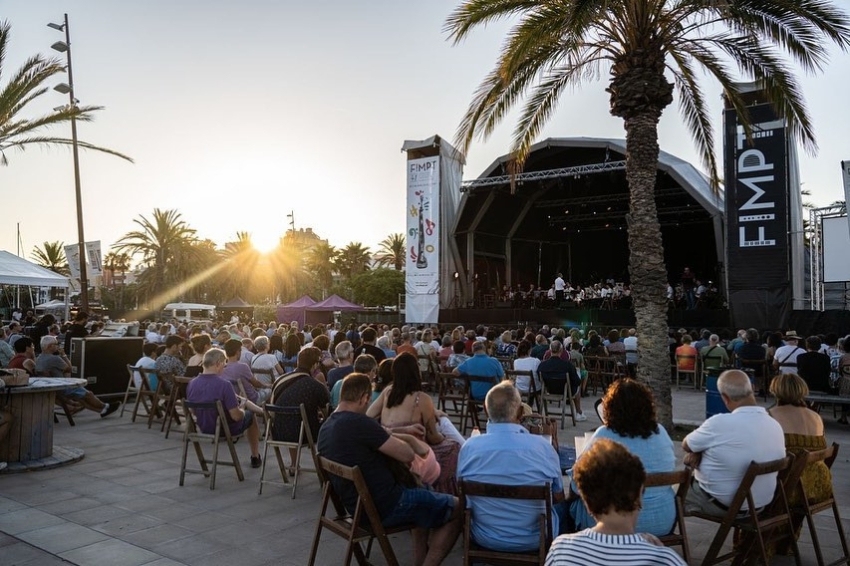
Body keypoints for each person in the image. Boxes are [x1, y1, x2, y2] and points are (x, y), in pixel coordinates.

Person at [317, 373, 461, 566]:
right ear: (364, 398)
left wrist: (390, 433)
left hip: (357, 508)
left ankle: (420, 560)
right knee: (459, 506)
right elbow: (407, 455)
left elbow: (372, 436)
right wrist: (407, 438)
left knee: (425, 491)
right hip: (388, 505)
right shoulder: (359, 423)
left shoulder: (326, 427)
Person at [458, 381, 566, 553]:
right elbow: (559, 496)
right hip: (534, 540)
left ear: (486, 411)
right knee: (567, 507)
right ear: (521, 413)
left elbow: (462, 494)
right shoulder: (543, 447)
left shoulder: (469, 448)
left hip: (484, 537)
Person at [546, 439, 686, 566]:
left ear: (587, 502)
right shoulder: (664, 559)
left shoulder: (561, 550)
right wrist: (660, 553)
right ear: (639, 495)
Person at [568, 379, 676, 536]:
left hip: (612, 524)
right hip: (662, 522)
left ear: (610, 408)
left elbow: (577, 483)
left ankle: (581, 549)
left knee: (570, 505)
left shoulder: (604, 434)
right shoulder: (660, 432)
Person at [682, 370, 785, 516]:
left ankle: (651, 538)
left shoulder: (719, 423)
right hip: (759, 505)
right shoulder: (774, 424)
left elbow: (687, 444)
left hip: (722, 505)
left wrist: (698, 451)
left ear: (725, 398)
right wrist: (699, 452)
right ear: (753, 388)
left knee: (665, 497)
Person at [768, 373, 832, 551]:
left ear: (775, 390)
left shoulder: (771, 416)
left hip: (788, 489)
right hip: (818, 487)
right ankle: (785, 541)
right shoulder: (816, 417)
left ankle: (759, 544)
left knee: (753, 488)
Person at [186, 348, 262, 468]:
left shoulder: (192, 384)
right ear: (218, 364)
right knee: (250, 416)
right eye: (224, 365)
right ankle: (255, 456)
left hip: (203, 427)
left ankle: (263, 412)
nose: (224, 368)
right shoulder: (224, 385)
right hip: (224, 429)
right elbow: (236, 416)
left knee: (243, 406)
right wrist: (242, 408)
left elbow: (192, 411)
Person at [36, 336, 120, 417]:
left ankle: (102, 410)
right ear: (50, 346)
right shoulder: (54, 359)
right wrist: (64, 355)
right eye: (56, 344)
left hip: (52, 388)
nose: (58, 346)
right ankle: (105, 406)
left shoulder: (39, 358)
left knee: (81, 398)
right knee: (88, 394)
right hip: (62, 387)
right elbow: (69, 368)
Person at [537, 340, 586, 421]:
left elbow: (540, 379)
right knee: (577, 386)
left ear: (550, 350)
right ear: (561, 351)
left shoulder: (542, 365)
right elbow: (577, 381)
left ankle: (579, 412)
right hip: (565, 391)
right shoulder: (567, 365)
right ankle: (578, 412)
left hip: (549, 390)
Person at [221, 339, 268, 405]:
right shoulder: (242, 367)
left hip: (234, 401)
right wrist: (267, 386)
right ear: (237, 352)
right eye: (240, 350)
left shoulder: (221, 369)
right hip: (252, 399)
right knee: (271, 391)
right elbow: (256, 383)